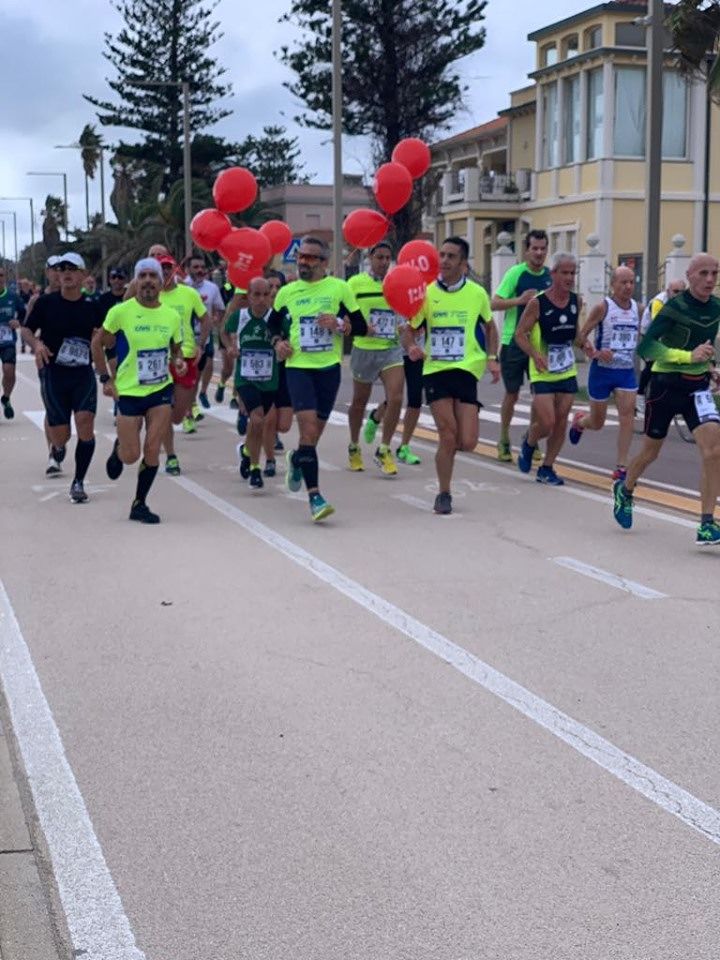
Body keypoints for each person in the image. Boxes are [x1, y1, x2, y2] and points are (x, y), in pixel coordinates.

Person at [612, 253, 720, 545]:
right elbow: (646, 347)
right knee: (650, 453)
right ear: (690, 275)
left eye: (715, 273)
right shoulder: (675, 307)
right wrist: (687, 356)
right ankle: (626, 489)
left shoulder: (716, 307)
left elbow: (706, 346)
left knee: (714, 451)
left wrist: (711, 367)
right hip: (665, 386)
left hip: (697, 388)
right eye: (704, 274)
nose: (710, 280)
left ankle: (707, 523)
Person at [269, 235, 368, 522]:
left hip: (329, 369)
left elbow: (360, 326)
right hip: (298, 367)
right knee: (308, 431)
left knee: (312, 437)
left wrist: (338, 324)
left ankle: (297, 459)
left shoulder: (339, 289)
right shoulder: (288, 292)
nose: (303, 261)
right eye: (301, 256)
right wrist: (278, 342)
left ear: (324, 263)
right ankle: (315, 497)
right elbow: (273, 324)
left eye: (311, 257)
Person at [407, 236, 500, 515]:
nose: (444, 261)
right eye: (442, 255)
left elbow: (490, 328)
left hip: (466, 370)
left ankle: (448, 456)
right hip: (436, 370)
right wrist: (412, 346)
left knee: (467, 442)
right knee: (447, 436)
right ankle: (444, 493)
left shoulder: (477, 293)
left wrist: (492, 359)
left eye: (451, 256)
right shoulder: (425, 294)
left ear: (463, 263)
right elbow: (409, 328)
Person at [92, 258, 186, 524]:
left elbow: (175, 348)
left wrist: (177, 360)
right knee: (132, 456)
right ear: (136, 281)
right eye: (142, 276)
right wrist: (105, 379)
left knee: (153, 449)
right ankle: (120, 448)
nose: (147, 281)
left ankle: (139, 503)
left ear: (160, 282)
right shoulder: (121, 311)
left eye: (152, 276)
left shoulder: (171, 315)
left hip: (160, 389)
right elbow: (97, 344)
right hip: (130, 391)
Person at [20, 252, 100, 502]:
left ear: (83, 274)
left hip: (82, 374)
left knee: (85, 423)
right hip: (54, 374)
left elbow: (103, 336)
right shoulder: (46, 303)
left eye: (72, 269)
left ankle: (78, 481)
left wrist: (104, 358)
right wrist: (37, 345)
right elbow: (26, 329)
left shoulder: (92, 307)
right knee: (61, 434)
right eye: (61, 268)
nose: (66, 273)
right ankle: (58, 446)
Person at [514, 252, 582, 485]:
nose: (569, 277)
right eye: (564, 272)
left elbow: (575, 333)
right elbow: (520, 334)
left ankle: (547, 467)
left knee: (561, 421)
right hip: (542, 370)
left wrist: (589, 346)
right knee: (547, 422)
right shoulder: (538, 303)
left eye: (573, 273)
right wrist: (535, 354)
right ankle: (529, 442)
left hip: (566, 369)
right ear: (553, 274)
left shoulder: (576, 301)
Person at [568, 266, 640, 480]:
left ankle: (622, 466)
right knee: (597, 423)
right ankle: (580, 422)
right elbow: (580, 337)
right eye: (623, 282)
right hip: (602, 372)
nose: (628, 287)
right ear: (612, 285)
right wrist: (596, 352)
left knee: (627, 418)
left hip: (626, 371)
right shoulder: (603, 308)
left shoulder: (639, 308)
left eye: (631, 283)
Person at [224, 276, 291, 489]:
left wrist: (285, 347)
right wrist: (230, 347)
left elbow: (289, 339)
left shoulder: (278, 318)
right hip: (246, 378)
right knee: (258, 418)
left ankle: (246, 450)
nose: (262, 299)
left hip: (270, 380)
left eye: (266, 295)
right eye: (257, 295)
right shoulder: (240, 317)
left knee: (258, 423)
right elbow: (224, 332)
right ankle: (255, 468)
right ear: (249, 297)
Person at [491, 230, 551, 462]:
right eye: (534, 248)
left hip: (539, 345)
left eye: (542, 248)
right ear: (526, 250)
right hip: (513, 343)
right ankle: (504, 439)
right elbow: (494, 303)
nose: (538, 253)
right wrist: (519, 300)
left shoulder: (549, 276)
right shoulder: (515, 274)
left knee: (540, 395)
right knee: (512, 394)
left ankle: (531, 440)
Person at [346, 242, 404, 476]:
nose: (383, 262)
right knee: (359, 401)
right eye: (379, 257)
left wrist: (406, 327)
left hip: (390, 348)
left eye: (387, 258)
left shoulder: (396, 282)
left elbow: (405, 310)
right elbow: (346, 316)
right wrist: (360, 328)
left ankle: (385, 448)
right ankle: (354, 445)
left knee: (397, 397)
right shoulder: (355, 284)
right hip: (364, 348)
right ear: (370, 258)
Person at [157, 254, 208, 472]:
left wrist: (201, 345)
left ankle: (167, 430)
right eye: (160, 268)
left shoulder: (188, 293)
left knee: (178, 415)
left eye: (168, 267)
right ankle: (171, 456)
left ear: (175, 269)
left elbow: (205, 318)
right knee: (164, 411)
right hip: (160, 358)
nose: (165, 272)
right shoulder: (150, 295)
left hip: (185, 356)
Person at [636, 278, 687, 409]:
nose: (679, 295)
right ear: (668, 291)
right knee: (652, 363)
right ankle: (640, 395)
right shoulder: (659, 302)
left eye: (682, 292)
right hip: (649, 334)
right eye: (676, 292)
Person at [183, 254, 225, 410]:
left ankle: (200, 395)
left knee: (203, 369)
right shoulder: (181, 287)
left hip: (204, 337)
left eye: (202, 267)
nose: (200, 270)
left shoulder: (212, 288)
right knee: (188, 374)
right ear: (187, 269)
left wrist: (215, 320)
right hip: (185, 338)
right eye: (195, 267)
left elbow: (220, 309)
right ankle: (190, 407)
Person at [0, 263, 27, 419]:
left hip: (7, 341)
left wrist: (18, 322)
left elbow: (24, 314)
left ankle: (6, 397)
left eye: (1, 275)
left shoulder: (12, 297)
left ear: (4, 278)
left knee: (9, 372)